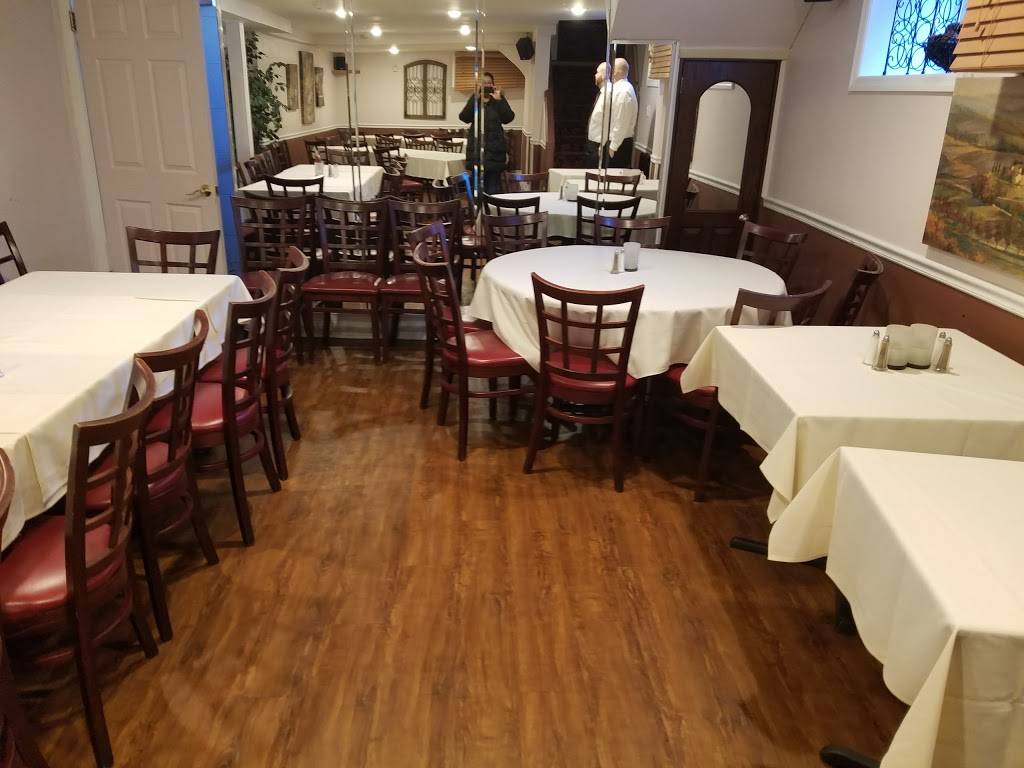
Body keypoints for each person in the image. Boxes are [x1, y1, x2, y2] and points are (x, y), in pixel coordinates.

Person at [459, 71, 515, 195]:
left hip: (495, 155)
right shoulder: (475, 100)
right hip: (476, 154)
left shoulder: (498, 100)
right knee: (476, 192)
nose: (487, 85)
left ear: (493, 85)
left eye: (489, 83)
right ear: (479, 85)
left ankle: (490, 208)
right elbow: (464, 117)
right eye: (483, 83)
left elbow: (508, 118)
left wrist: (499, 100)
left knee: (493, 192)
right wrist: (475, 98)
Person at [606, 58, 638, 169]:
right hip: (618, 141)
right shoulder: (621, 88)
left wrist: (613, 147)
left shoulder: (624, 91)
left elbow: (621, 121)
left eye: (612, 69)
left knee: (614, 177)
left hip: (619, 144)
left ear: (616, 72)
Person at [586, 62, 612, 168]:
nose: (595, 75)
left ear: (604, 74)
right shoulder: (602, 92)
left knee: (594, 170)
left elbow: (608, 119)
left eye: (597, 72)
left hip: (599, 142)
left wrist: (602, 144)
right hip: (594, 139)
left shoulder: (609, 92)